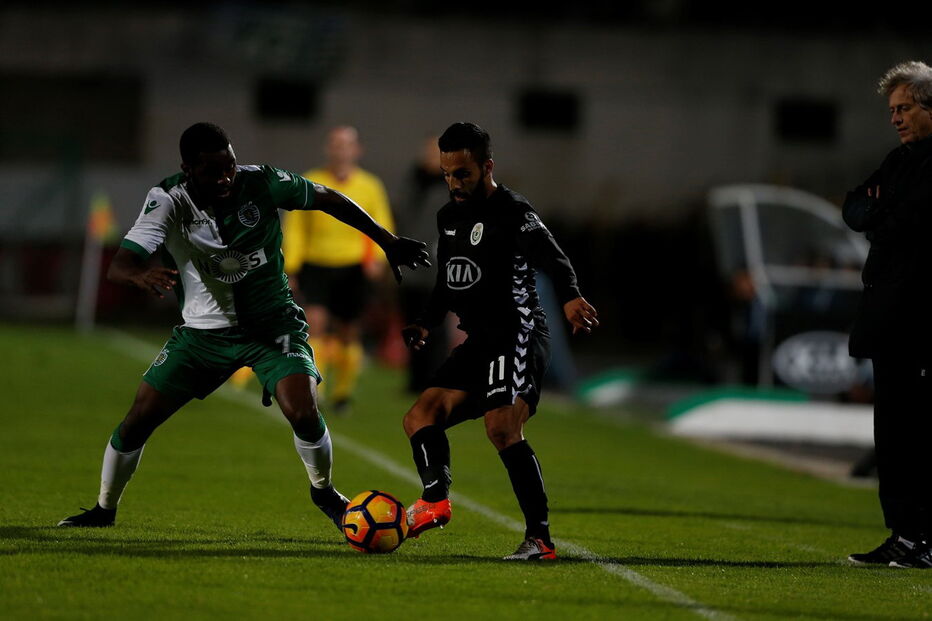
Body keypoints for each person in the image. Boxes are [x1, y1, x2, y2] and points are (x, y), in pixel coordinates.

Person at [58, 122, 429, 529]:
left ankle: (324, 491)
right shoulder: (168, 199)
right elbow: (120, 264)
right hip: (202, 336)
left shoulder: (262, 181)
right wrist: (140, 275)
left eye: (230, 167)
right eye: (214, 172)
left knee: (303, 410)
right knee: (137, 422)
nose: (226, 178)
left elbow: (327, 198)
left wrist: (387, 240)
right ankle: (104, 509)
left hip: (273, 325)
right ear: (188, 169)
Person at [400, 123, 599, 560]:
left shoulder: (513, 210)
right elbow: (447, 282)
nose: (453, 183)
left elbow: (552, 255)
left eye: (463, 174)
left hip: (519, 333)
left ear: (487, 166)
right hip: (480, 340)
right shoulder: (448, 216)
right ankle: (435, 500)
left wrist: (569, 297)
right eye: (446, 174)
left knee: (503, 428)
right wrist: (425, 322)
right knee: (420, 416)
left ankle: (540, 540)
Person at [844, 61, 932, 569]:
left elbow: (909, 221)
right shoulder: (897, 162)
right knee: (893, 432)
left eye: (905, 108)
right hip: (889, 318)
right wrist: (880, 214)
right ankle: (903, 533)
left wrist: (880, 215)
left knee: (920, 432)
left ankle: (925, 537)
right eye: (892, 110)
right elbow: (854, 208)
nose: (896, 118)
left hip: (922, 318)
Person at [281, 126, 395, 413]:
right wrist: (291, 266)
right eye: (335, 144)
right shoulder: (311, 181)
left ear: (357, 150)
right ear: (328, 149)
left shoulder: (370, 185)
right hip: (316, 264)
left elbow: (379, 225)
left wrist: (376, 259)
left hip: (353, 265)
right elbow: (295, 227)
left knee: (348, 331)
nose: (340, 150)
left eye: (346, 145)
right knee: (314, 324)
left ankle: (342, 394)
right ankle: (314, 391)